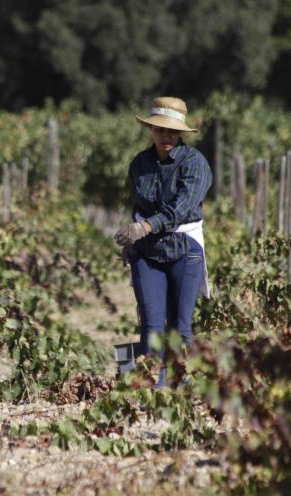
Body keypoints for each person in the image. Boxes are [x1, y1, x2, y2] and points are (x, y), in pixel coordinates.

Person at [114, 97, 212, 388]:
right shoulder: (139, 164)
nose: (166, 136)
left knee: (181, 326)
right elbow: (138, 205)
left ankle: (181, 388)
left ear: (180, 132)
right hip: (148, 252)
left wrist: (146, 225)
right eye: (160, 130)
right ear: (151, 130)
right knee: (151, 324)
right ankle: (152, 388)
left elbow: (181, 208)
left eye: (172, 131)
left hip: (185, 248)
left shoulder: (194, 163)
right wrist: (132, 237)